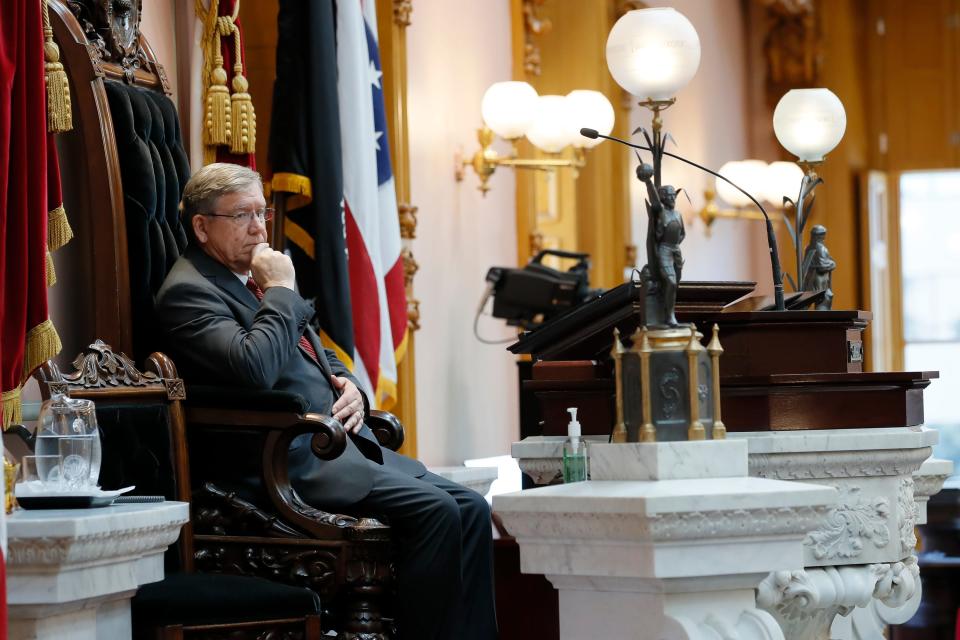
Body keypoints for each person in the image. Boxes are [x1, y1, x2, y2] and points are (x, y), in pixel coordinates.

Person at [155, 163, 497, 640]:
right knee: (436, 511)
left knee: (471, 508)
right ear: (201, 225)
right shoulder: (188, 292)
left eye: (262, 212)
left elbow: (317, 351)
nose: (258, 227)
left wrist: (349, 383)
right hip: (283, 464)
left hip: (335, 449)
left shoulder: (250, 276)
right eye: (241, 216)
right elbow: (255, 367)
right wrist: (279, 289)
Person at [637, 163, 685, 326]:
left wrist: (676, 245)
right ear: (664, 198)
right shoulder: (661, 212)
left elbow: (682, 233)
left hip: (675, 251)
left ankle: (667, 310)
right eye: (669, 196)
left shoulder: (678, 214)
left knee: (674, 284)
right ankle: (670, 316)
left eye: (674, 195)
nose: (673, 198)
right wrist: (648, 181)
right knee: (670, 282)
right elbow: (654, 202)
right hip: (664, 250)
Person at [801, 224, 836, 310]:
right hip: (819, 280)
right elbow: (822, 266)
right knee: (823, 300)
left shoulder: (808, 248)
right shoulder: (821, 248)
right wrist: (832, 264)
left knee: (807, 301)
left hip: (809, 279)